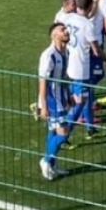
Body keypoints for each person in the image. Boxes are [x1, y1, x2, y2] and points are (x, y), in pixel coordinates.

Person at [60, 0, 106, 142]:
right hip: (82, 70)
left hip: (71, 67)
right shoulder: (87, 25)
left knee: (82, 99)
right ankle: (63, 135)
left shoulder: (69, 19)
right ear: (90, 6)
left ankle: (90, 128)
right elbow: (96, 49)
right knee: (78, 106)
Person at [38, 23, 71, 181]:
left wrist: (69, 94)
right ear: (54, 35)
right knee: (63, 133)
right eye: (62, 30)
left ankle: (51, 164)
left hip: (62, 96)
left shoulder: (65, 52)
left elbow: (64, 76)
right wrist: (43, 105)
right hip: (52, 100)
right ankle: (46, 160)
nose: (66, 32)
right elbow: (43, 81)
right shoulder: (49, 55)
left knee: (53, 132)